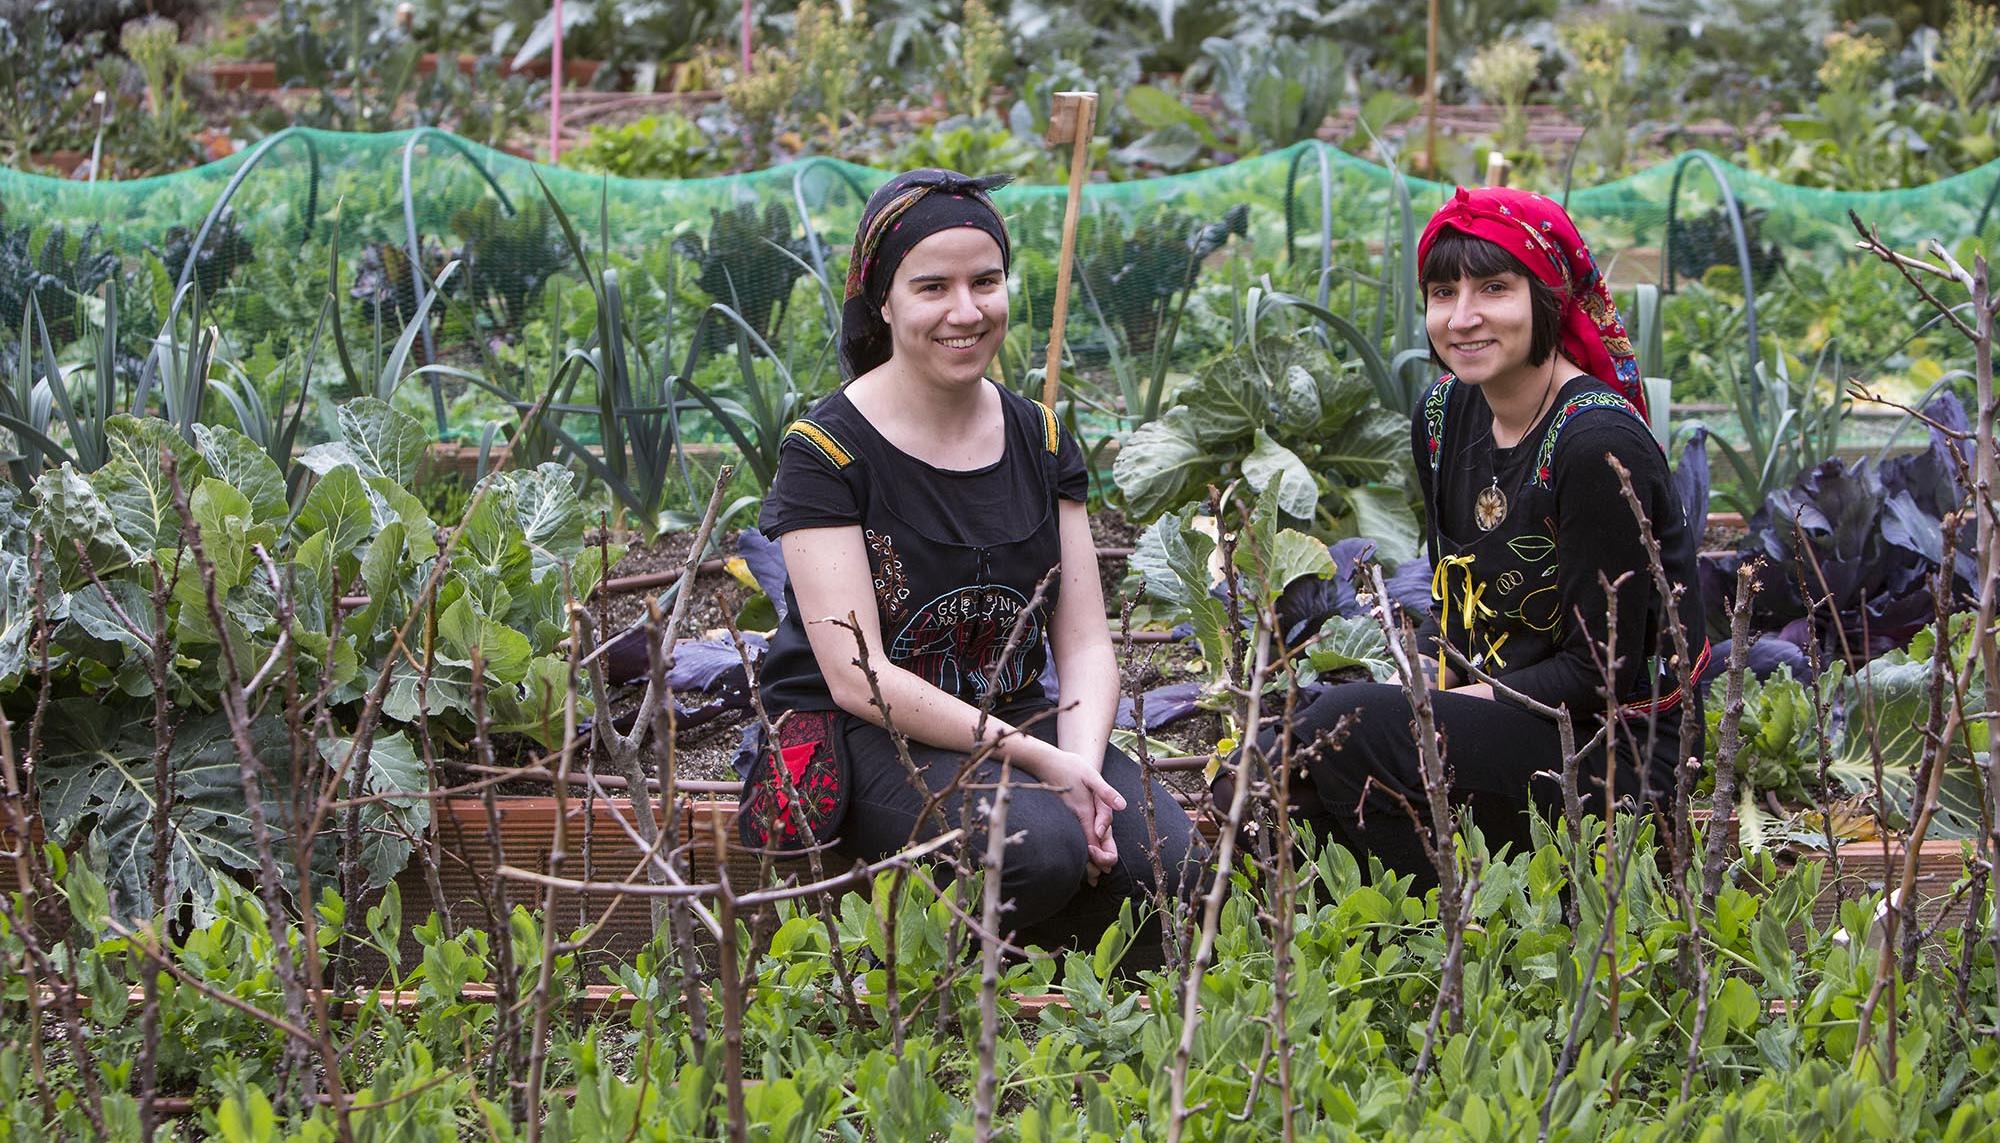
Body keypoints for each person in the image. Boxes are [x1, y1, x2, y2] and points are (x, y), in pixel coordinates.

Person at [746, 168, 1202, 954]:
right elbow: (861, 678)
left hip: (1017, 716)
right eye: (932, 287)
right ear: (882, 301)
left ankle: (1078, 1009)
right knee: (1033, 849)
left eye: (985, 281)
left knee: (1175, 862)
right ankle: (923, 981)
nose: (966, 311)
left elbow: (1087, 642)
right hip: (869, 733)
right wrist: (1037, 760)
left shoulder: (1040, 436)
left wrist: (1082, 771)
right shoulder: (826, 452)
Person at [1263, 186, 1708, 884]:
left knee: (1341, 727)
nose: (1463, 317)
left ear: (1547, 299)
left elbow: (1602, 673)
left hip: (1610, 748)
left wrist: (1421, 710)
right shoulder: (1444, 415)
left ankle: (1477, 923)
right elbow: (1461, 607)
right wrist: (1428, 705)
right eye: (1443, 292)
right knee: (1274, 765)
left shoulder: (1594, 445)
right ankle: (1422, 929)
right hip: (1505, 726)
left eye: (1494, 288)